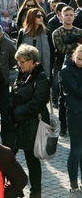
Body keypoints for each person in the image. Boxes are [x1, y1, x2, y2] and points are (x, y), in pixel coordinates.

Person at [9, 45, 50, 198]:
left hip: (32, 124)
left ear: (32, 61)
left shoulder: (41, 77)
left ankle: (36, 192)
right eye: (19, 62)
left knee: (31, 160)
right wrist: (11, 109)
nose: (20, 65)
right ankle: (14, 187)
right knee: (9, 156)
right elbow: (13, 92)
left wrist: (17, 113)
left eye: (23, 62)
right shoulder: (22, 73)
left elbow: (38, 102)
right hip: (18, 123)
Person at [61, 44, 82, 195]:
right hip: (75, 115)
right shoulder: (66, 70)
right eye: (79, 59)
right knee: (76, 151)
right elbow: (77, 90)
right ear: (74, 55)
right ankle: (74, 184)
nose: (81, 62)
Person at [16, 7, 52, 82]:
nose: (41, 18)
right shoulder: (23, 33)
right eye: (38, 16)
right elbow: (18, 51)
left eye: (42, 16)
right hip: (26, 68)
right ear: (32, 17)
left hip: (42, 68)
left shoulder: (47, 33)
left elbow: (51, 51)